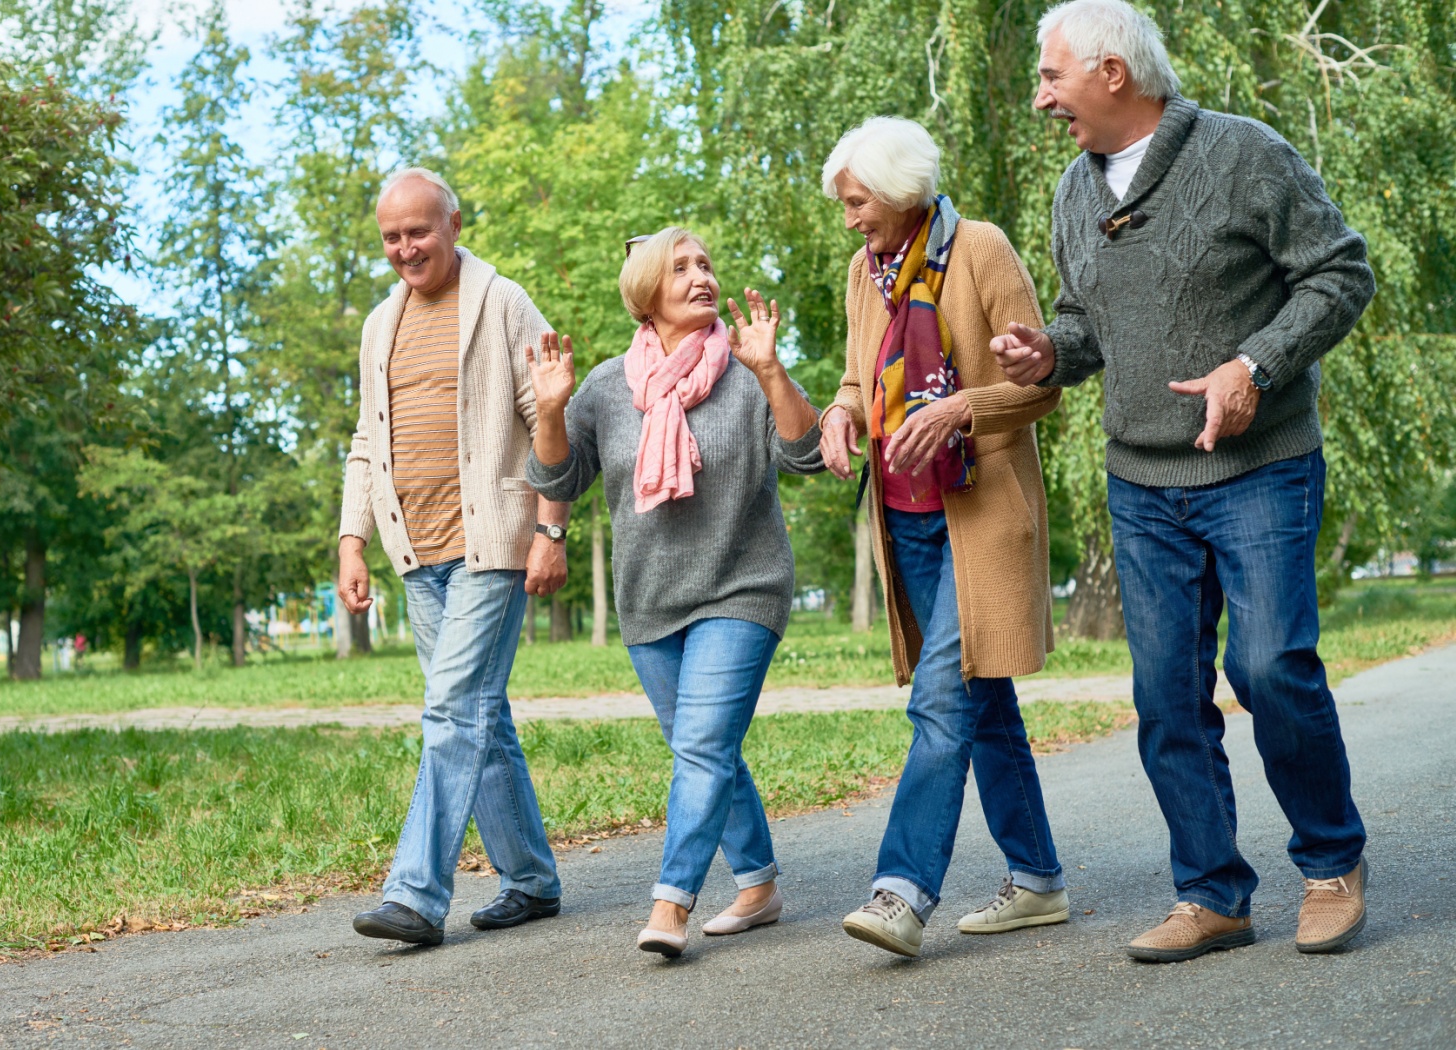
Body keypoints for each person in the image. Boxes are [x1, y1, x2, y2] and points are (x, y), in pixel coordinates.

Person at [993, 0, 1374, 962]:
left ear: (1112, 73)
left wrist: (1257, 366)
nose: (1042, 98)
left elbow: (1339, 273)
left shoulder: (1245, 154)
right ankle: (1211, 893)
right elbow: (1091, 329)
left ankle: (1331, 863)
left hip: (1259, 466)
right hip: (1142, 480)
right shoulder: (1074, 193)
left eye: (1051, 77)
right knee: (1166, 696)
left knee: (1270, 668)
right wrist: (1050, 353)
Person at [525, 227, 824, 957]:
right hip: (650, 599)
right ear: (646, 293)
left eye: (708, 264)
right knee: (706, 748)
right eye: (682, 267)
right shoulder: (604, 386)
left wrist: (774, 373)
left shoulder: (748, 367)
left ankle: (671, 903)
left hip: (742, 587)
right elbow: (559, 482)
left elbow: (808, 454)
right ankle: (758, 885)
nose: (702, 276)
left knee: (700, 746)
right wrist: (553, 412)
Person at [817, 117, 1069, 959]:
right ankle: (1037, 880)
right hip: (908, 518)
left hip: (982, 515)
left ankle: (901, 891)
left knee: (939, 702)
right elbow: (860, 376)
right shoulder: (866, 272)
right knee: (981, 700)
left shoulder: (982, 249)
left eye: (857, 202)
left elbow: (1043, 386)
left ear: (898, 191)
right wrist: (841, 412)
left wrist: (964, 405)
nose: (849, 218)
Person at [340, 167, 572, 947]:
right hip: (418, 553)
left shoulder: (502, 302)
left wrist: (551, 529)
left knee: (451, 711)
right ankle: (532, 880)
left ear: (454, 223)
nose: (406, 248)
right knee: (482, 717)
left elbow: (550, 414)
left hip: (491, 545)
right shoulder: (380, 324)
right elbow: (367, 444)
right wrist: (353, 540)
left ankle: (415, 894)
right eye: (391, 237)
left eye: (418, 231)